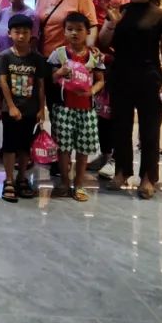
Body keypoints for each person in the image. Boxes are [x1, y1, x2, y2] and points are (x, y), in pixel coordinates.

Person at [99, 0, 162, 199]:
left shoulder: (161, 16)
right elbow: (103, 44)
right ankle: (121, 172)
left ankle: (148, 177)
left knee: (149, 130)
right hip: (120, 75)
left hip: (149, 78)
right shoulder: (119, 11)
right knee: (120, 127)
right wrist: (111, 23)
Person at [47, 12, 105, 202]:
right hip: (63, 108)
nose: (74, 33)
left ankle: (79, 184)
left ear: (87, 32)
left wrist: (92, 91)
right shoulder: (58, 53)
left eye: (79, 29)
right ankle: (64, 182)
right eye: (70, 29)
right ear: (64, 31)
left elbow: (101, 80)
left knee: (83, 149)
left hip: (87, 109)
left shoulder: (94, 55)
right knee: (63, 148)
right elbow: (50, 78)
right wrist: (59, 72)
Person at [0, 15, 47, 203]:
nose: (21, 36)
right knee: (10, 146)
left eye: (25, 32)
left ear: (31, 34)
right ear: (9, 33)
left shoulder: (37, 58)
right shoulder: (5, 56)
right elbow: (2, 82)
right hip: (11, 110)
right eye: (17, 32)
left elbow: (41, 85)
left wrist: (41, 109)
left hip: (30, 110)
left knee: (25, 147)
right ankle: (9, 179)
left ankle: (22, 177)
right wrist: (11, 106)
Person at [90, 0, 128, 177]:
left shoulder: (126, 3)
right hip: (98, 64)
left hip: (120, 65)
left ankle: (116, 158)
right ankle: (105, 154)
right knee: (101, 113)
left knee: (117, 113)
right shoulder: (92, 3)